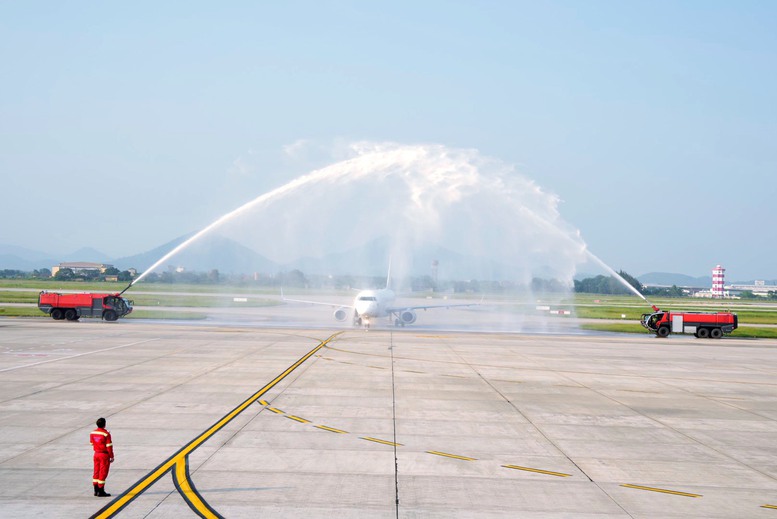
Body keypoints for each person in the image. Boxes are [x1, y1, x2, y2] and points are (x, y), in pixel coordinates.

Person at [90, 417, 114, 497]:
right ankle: (101, 491)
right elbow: (109, 446)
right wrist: (111, 456)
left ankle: (96, 490)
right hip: (104, 455)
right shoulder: (106, 434)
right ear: (104, 424)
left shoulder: (92, 432)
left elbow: (92, 443)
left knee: (96, 471)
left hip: (96, 454)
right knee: (103, 472)